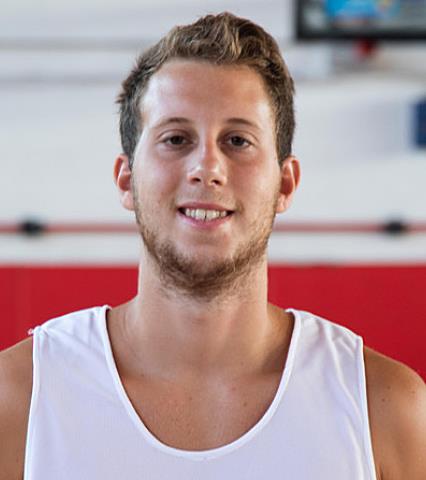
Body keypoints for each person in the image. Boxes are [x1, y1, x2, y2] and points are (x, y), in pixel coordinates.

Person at [0, 11, 425, 480]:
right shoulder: (19, 399)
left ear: (285, 183)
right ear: (126, 179)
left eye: (238, 140)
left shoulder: (383, 409)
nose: (207, 167)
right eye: (176, 139)